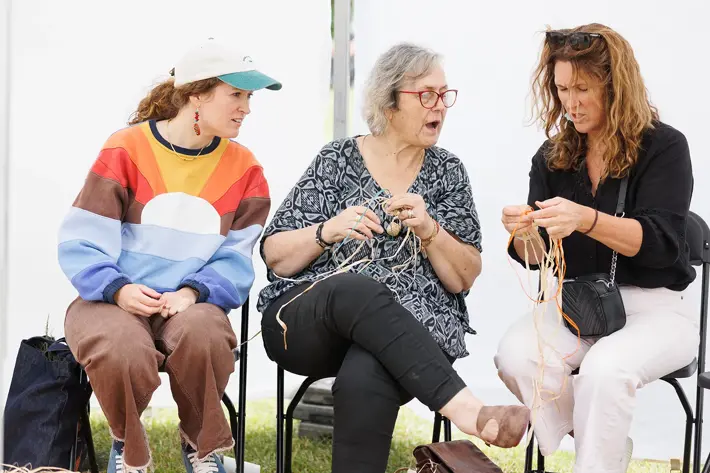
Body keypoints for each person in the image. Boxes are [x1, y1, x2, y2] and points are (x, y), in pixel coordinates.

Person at [257, 42, 530, 473]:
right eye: (426, 95)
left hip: (404, 337)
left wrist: (431, 231)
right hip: (308, 326)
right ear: (388, 102)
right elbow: (276, 256)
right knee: (355, 288)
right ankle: (469, 412)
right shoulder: (337, 159)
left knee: (366, 376)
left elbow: (464, 278)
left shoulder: (448, 173)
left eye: (444, 95)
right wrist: (327, 231)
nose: (439, 106)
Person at [58, 40, 281, 473]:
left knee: (206, 337)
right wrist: (118, 289)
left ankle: (203, 450)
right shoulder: (125, 148)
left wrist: (193, 292)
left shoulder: (246, 169)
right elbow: (81, 240)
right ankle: (130, 452)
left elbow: (237, 257)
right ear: (196, 94)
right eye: (236, 94)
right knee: (120, 347)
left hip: (189, 302)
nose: (246, 108)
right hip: (110, 299)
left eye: (249, 97)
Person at [495, 23, 697, 473]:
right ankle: (601, 447)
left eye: (583, 88)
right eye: (562, 88)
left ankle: (595, 463)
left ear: (615, 85)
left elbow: (663, 245)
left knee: (606, 372)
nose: (570, 102)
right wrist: (523, 233)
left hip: (657, 309)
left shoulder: (664, 147)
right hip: (578, 305)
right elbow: (536, 254)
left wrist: (586, 218)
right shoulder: (553, 156)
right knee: (514, 356)